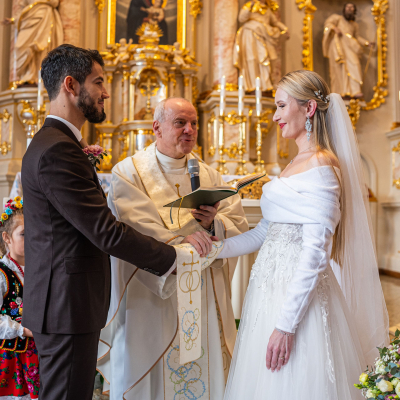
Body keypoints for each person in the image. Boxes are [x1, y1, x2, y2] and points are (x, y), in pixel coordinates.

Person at [21, 45, 211, 400]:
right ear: (71, 85)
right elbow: (105, 231)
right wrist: (174, 256)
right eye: (98, 82)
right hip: (66, 304)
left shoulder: (57, 143)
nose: (106, 92)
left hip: (66, 302)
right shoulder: (58, 149)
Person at [215, 70, 389, 399]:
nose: (275, 116)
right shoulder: (296, 162)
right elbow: (265, 232)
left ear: (308, 108)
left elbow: (315, 254)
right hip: (269, 294)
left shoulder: (322, 167)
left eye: (282, 106)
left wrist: (286, 325)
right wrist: (213, 248)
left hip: (298, 303)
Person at [97, 97, 248, 400]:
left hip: (202, 293)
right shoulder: (129, 172)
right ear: (157, 128)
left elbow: (237, 224)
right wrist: (180, 242)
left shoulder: (209, 175)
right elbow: (134, 225)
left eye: (194, 123)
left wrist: (212, 225)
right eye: (180, 123)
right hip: (154, 295)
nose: (189, 130)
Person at [0, 197, 40, 399]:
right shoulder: (2, 274)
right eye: (24, 234)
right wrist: (22, 329)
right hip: (11, 357)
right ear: (7, 237)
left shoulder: (39, 267)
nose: (31, 238)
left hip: (39, 353)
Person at [234, 0, 289, 93]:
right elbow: (241, 18)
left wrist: (284, 28)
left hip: (265, 35)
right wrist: (250, 6)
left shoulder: (267, 9)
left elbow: (275, 22)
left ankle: (266, 85)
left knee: (269, 59)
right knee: (252, 59)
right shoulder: (249, 5)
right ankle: (253, 85)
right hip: (251, 35)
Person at [1, 0, 63, 84]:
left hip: (43, 16)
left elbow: (54, 2)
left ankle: (36, 77)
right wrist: (13, 19)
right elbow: (22, 7)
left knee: (38, 47)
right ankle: (25, 76)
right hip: (27, 19)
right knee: (19, 47)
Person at [322, 3, 374, 98]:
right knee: (339, 69)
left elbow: (357, 37)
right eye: (348, 7)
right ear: (344, 9)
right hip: (338, 47)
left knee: (355, 65)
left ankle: (355, 91)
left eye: (352, 7)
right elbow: (327, 24)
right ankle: (340, 92)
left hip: (350, 47)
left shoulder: (354, 25)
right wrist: (334, 28)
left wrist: (367, 43)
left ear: (354, 10)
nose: (349, 8)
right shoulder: (337, 18)